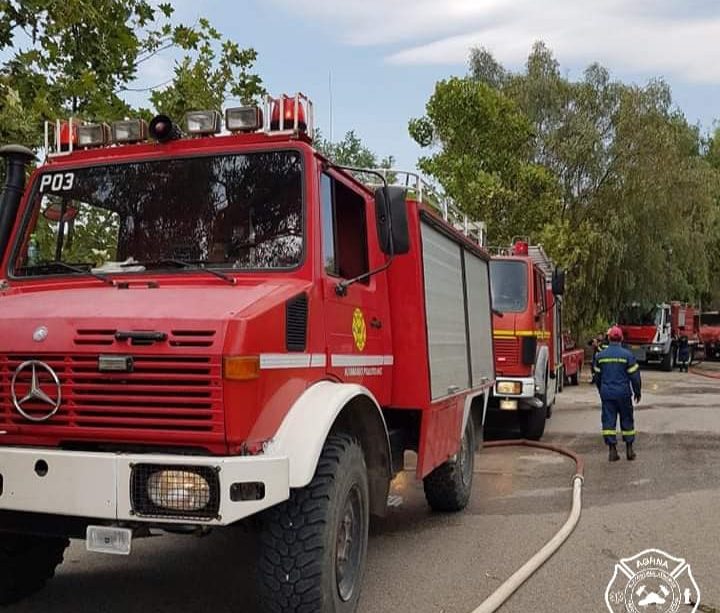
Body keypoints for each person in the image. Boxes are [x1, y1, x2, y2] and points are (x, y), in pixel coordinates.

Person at [593, 325, 642, 462]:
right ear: (621, 338)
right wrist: (637, 391)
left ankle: (612, 450)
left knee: (608, 420)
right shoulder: (627, 355)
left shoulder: (600, 356)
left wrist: (601, 390)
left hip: (607, 394)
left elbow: (597, 377)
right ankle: (629, 450)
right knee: (627, 419)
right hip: (624, 394)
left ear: (609, 338)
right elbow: (635, 377)